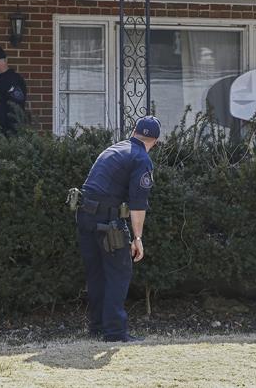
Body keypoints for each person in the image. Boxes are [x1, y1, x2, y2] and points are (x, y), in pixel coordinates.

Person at [75, 116, 161, 342]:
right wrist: (138, 237)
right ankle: (114, 332)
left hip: (84, 215)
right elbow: (138, 204)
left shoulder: (115, 148)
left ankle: (97, 328)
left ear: (134, 132)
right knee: (118, 273)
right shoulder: (141, 158)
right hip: (107, 220)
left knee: (97, 274)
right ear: (155, 141)